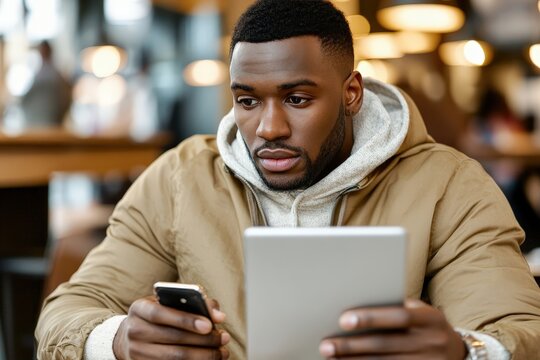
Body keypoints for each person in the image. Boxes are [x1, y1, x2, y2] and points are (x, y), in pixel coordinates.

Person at [35, 1, 540, 359]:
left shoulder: (450, 186)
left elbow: (520, 332)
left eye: (297, 99)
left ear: (351, 93)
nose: (268, 129)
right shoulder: (179, 178)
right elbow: (63, 316)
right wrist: (116, 340)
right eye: (247, 100)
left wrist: (466, 351)